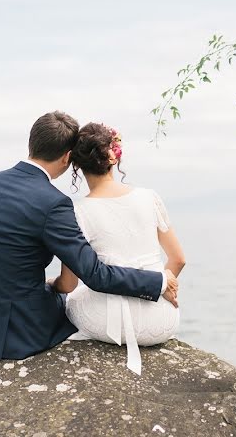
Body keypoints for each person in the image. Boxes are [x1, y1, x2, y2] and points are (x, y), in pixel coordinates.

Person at [0, 111, 179, 361]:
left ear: (32, 143)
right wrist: (159, 282)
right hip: (17, 330)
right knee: (71, 303)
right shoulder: (54, 203)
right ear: (68, 157)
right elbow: (95, 276)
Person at [50, 122, 186, 375]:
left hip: (105, 322)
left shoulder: (76, 211)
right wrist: (164, 287)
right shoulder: (149, 197)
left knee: (71, 301)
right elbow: (178, 259)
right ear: (114, 155)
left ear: (76, 165)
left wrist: (51, 285)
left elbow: (68, 284)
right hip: (160, 323)